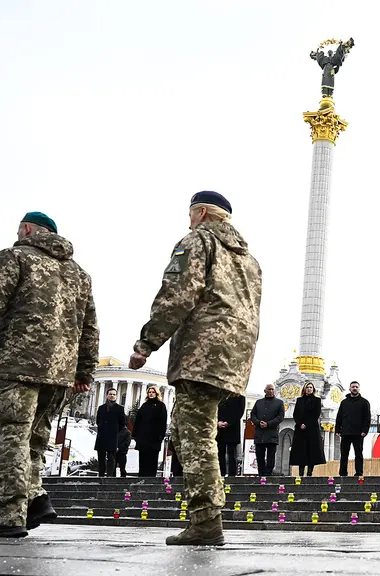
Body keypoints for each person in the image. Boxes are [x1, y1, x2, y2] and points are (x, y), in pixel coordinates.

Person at [0, 212, 98, 538]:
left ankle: (9, 516)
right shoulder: (79, 274)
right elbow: (89, 329)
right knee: (33, 442)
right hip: (59, 375)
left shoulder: (15, 257)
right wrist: (83, 371)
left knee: (12, 441)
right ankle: (36, 499)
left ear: (28, 229)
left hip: (20, 367)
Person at [129, 191, 262, 546]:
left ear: (202, 213)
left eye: (190, 214)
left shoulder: (198, 241)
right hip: (234, 356)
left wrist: (147, 343)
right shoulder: (249, 259)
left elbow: (178, 294)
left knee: (194, 436)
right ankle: (205, 517)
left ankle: (205, 520)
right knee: (200, 433)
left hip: (200, 353)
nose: (188, 221)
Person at [335, 381, 370, 478]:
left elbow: (367, 418)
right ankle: (342, 473)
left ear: (359, 389)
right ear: (350, 388)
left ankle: (359, 473)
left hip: (358, 433)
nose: (354, 388)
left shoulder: (364, 402)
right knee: (344, 454)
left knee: (358, 454)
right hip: (345, 432)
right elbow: (339, 417)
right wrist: (337, 429)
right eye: (353, 387)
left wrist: (365, 430)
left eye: (356, 387)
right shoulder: (344, 402)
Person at [290, 383, 325, 476]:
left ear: (313, 389)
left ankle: (310, 472)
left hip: (312, 429)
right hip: (300, 430)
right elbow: (295, 414)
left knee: (311, 450)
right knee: (301, 451)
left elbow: (316, 414)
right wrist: (300, 423)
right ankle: (300, 472)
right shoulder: (299, 400)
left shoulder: (317, 400)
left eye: (310, 387)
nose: (309, 389)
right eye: (307, 387)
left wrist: (306, 424)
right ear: (304, 389)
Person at [132, 386, 168, 477]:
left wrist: (160, 436)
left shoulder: (161, 405)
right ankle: (141, 477)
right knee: (143, 459)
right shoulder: (144, 405)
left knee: (152, 460)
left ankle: (151, 478)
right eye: (149, 392)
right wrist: (135, 435)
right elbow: (138, 421)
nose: (151, 394)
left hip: (154, 439)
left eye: (153, 392)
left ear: (156, 394)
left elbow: (163, 422)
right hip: (143, 438)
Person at [249, 384, 284, 476]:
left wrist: (268, 424)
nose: (271, 391)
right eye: (269, 389)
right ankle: (261, 474)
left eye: (273, 389)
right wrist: (258, 422)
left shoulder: (279, 403)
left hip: (272, 434)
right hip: (259, 434)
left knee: (271, 456)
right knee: (259, 456)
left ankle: (268, 474)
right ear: (265, 391)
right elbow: (253, 415)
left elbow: (280, 417)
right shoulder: (258, 402)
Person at [95, 389, 126, 476]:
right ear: (107, 395)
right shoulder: (101, 408)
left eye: (114, 394)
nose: (112, 396)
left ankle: (109, 476)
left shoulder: (119, 409)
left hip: (112, 436)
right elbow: (98, 421)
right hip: (102, 436)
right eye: (110, 394)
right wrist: (102, 427)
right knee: (101, 457)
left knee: (111, 458)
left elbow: (122, 423)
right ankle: (100, 475)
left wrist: (114, 430)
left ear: (116, 396)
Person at [216, 394, 245, 477]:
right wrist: (217, 422)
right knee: (220, 452)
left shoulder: (239, 395)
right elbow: (212, 409)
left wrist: (228, 422)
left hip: (232, 427)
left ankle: (232, 474)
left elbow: (239, 412)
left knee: (231, 452)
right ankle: (221, 473)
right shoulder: (219, 392)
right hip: (219, 428)